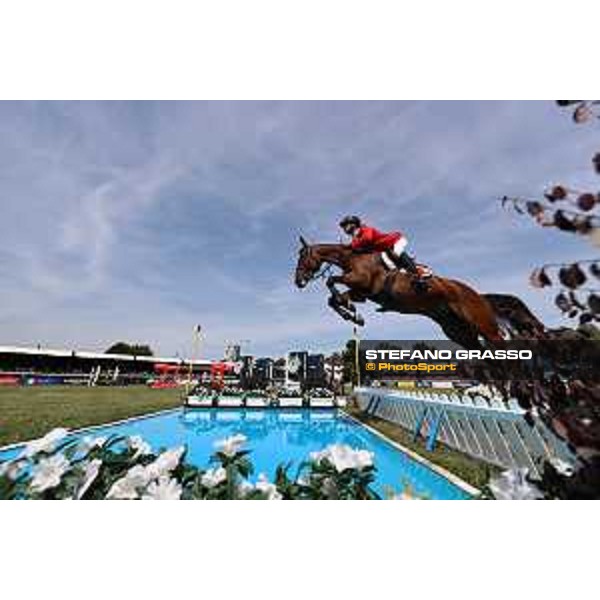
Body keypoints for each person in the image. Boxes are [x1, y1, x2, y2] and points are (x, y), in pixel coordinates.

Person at [339, 215, 430, 292]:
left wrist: (350, 246)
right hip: (385, 249)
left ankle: (419, 278)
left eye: (345, 226)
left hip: (394, 241)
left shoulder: (365, 229)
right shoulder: (355, 239)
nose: (344, 229)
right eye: (343, 227)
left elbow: (368, 239)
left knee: (396, 252)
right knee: (388, 264)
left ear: (353, 224)